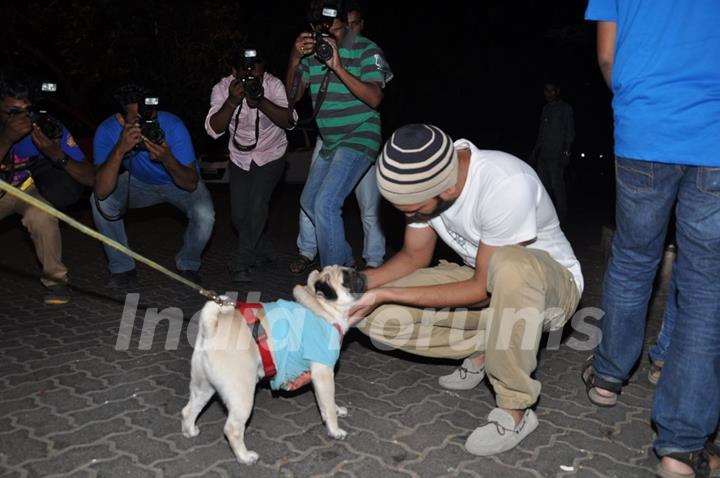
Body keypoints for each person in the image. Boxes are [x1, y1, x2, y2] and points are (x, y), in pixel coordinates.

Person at [349, 124, 583, 456]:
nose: (409, 215)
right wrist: (357, 284)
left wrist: (388, 292)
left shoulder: (504, 182)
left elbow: (481, 290)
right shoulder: (425, 176)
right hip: (482, 278)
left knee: (511, 266)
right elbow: (414, 257)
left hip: (549, 289)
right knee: (370, 314)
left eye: (413, 209)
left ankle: (516, 408)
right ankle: (490, 347)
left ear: (444, 188)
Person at [583, 2, 720, 477]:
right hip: (714, 137)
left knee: (633, 258)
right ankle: (680, 448)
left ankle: (607, 377)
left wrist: (639, 100)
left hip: (645, 126)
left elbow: (607, 57)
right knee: (705, 287)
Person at [286, 0, 389, 268]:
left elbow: (375, 97)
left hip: (360, 136)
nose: (329, 30)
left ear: (343, 21)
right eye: (321, 25)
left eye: (334, 24)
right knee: (309, 201)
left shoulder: (367, 49)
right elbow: (292, 96)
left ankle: (332, 281)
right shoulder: (311, 55)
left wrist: (338, 66)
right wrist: (295, 59)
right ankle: (344, 259)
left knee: (326, 203)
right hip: (330, 142)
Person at [92, 84, 215, 289]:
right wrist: (120, 149)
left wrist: (167, 159)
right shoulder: (107, 131)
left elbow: (191, 183)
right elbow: (101, 191)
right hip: (138, 182)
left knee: (205, 214)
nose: (148, 123)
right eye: (138, 120)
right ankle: (122, 268)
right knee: (100, 202)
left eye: (151, 116)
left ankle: (188, 265)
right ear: (122, 120)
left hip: (177, 182)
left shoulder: (173, 125)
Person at [0, 74, 94, 304]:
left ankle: (57, 282)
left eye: (26, 109)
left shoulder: (47, 126)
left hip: (25, 187)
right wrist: (7, 138)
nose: (21, 118)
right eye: (12, 111)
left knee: (41, 213)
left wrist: (58, 155)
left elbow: (90, 176)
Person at [205, 48, 296, 283]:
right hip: (239, 158)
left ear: (263, 69)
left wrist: (260, 101)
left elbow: (289, 120)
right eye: (244, 70)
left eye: (256, 70)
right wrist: (232, 102)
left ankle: (240, 261)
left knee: (257, 206)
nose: (250, 75)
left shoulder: (273, 85)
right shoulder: (222, 88)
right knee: (239, 216)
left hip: (271, 155)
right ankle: (265, 250)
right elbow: (214, 129)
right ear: (234, 71)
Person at [530, 80, 574, 222]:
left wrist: (566, 153)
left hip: (557, 154)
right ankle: (546, 216)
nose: (549, 93)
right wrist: (535, 151)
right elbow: (541, 133)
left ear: (557, 91)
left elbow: (570, 132)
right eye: (546, 91)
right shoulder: (546, 109)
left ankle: (561, 217)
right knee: (542, 187)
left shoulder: (565, 108)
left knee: (557, 187)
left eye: (552, 90)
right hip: (543, 155)